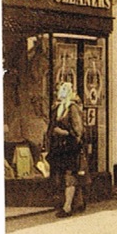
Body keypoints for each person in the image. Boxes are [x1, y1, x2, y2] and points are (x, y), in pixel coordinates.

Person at [49, 81, 87, 217]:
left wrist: (64, 133)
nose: (61, 92)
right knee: (66, 174)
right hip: (59, 148)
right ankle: (79, 202)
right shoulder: (57, 108)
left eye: (65, 89)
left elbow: (78, 130)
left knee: (70, 175)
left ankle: (67, 207)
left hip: (70, 147)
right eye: (60, 89)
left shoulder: (72, 108)